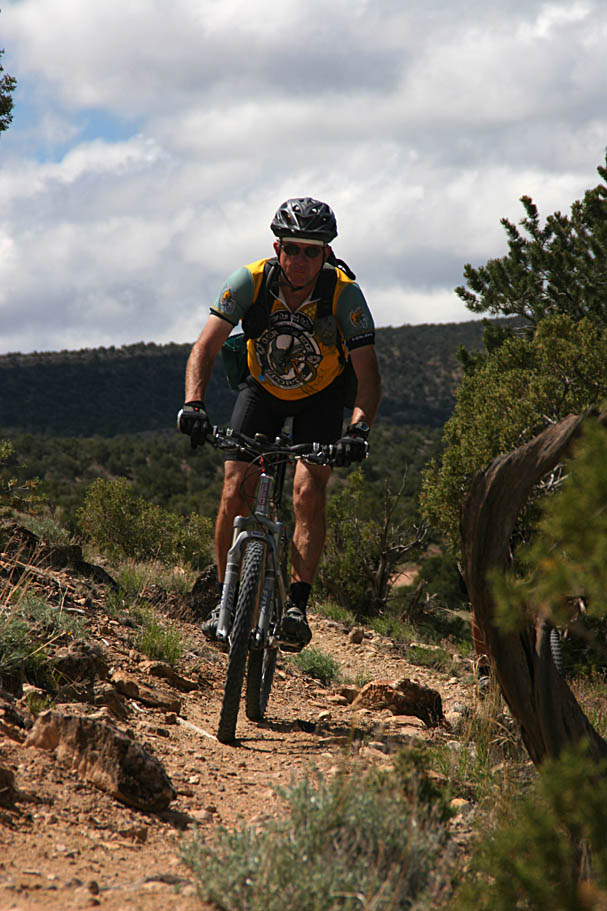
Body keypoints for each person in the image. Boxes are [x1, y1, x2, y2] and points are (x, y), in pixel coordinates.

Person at [178, 197, 381, 651]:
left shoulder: (343, 294)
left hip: (321, 398)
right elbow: (205, 347)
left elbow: (368, 375)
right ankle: (225, 599)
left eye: (312, 251)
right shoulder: (249, 281)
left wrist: (358, 431)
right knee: (234, 489)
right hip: (262, 392)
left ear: (326, 253)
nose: (300, 260)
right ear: (277, 248)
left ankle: (296, 608)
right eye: (292, 248)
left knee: (308, 493)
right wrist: (194, 404)